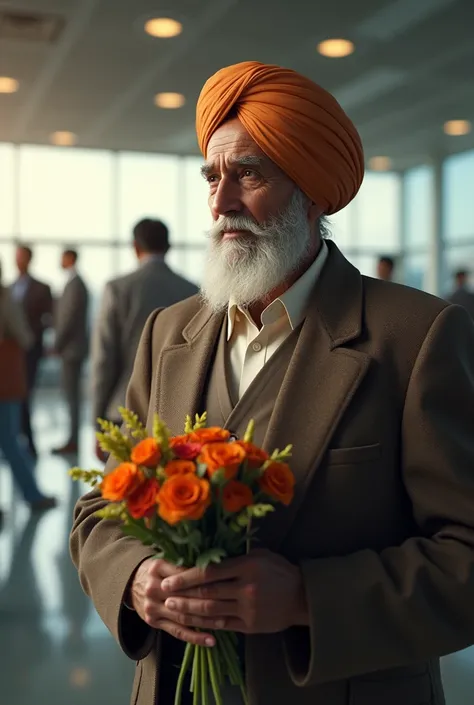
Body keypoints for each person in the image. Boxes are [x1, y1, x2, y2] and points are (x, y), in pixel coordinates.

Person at [71, 62, 474, 705]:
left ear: (313, 190)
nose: (221, 202)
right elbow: (101, 511)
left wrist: (309, 599)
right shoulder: (166, 333)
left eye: (249, 174)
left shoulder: (417, 336)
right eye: (212, 176)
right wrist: (135, 575)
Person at [90, 218, 198, 460]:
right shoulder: (192, 291)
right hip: (179, 412)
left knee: (124, 490)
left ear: (135, 247)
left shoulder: (118, 289)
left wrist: (98, 422)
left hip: (124, 408)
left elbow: (103, 359)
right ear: (168, 247)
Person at [0, 260, 56, 513]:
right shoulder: (5, 299)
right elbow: (24, 336)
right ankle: (33, 497)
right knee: (11, 441)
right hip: (5, 381)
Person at [10, 245, 53, 458]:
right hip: (10, 354)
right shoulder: (8, 289)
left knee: (25, 395)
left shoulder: (41, 288)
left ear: (29, 259)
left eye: (21, 257)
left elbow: (49, 317)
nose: (18, 261)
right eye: (16, 258)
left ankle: (25, 442)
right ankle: (17, 442)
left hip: (31, 349)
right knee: (14, 397)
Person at [52, 249, 89, 455]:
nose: (60, 261)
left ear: (70, 259)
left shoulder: (75, 284)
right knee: (70, 395)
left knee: (72, 396)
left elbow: (68, 318)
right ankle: (71, 438)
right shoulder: (73, 283)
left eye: (63, 257)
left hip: (72, 349)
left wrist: (57, 343)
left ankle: (73, 440)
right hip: (71, 348)